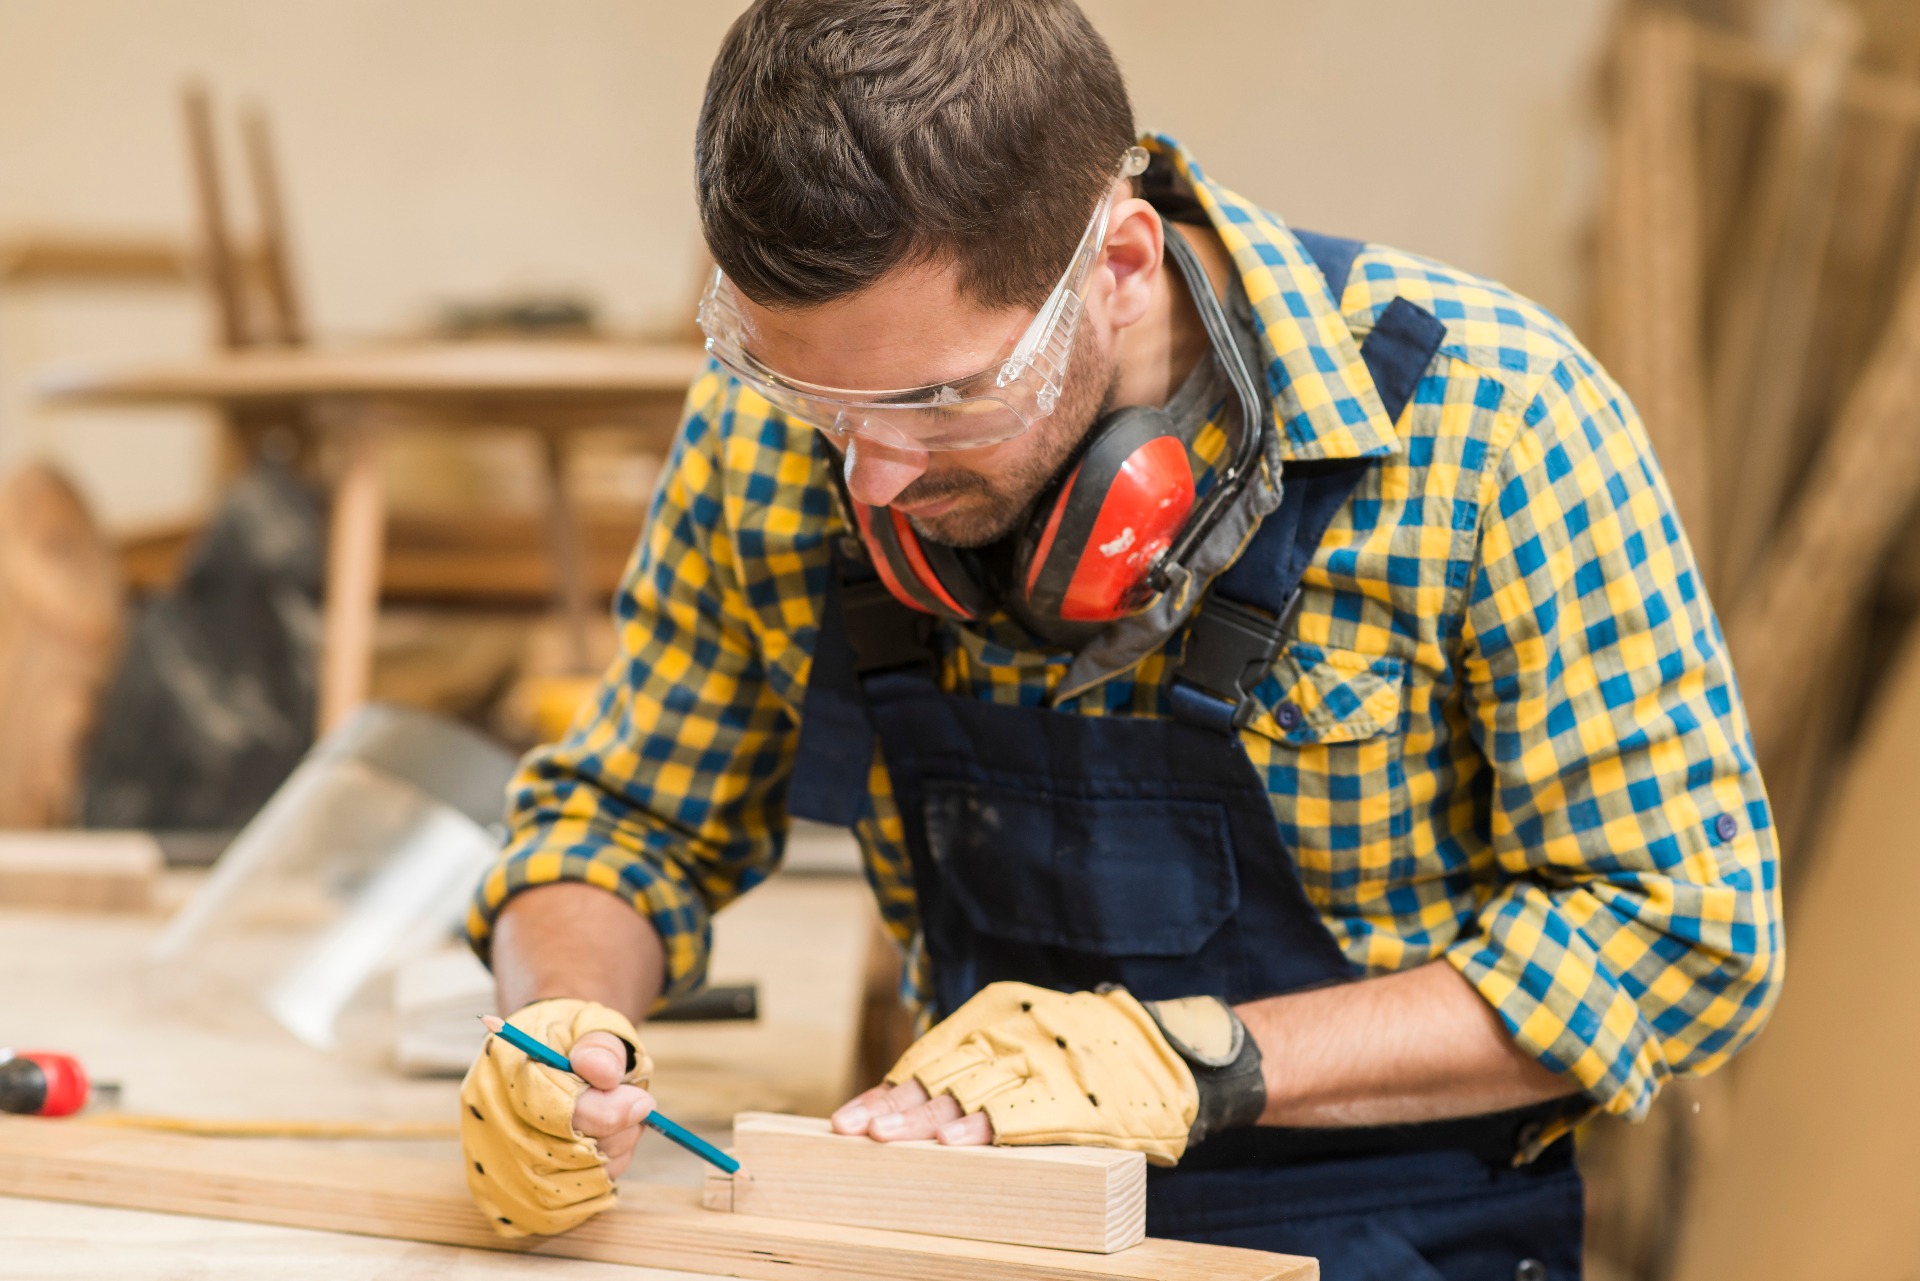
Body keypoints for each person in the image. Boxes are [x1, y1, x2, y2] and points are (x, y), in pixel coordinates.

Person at [454, 2, 1782, 1276]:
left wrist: (1188, 1059)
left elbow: (1680, 936)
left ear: (1122, 267)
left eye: (935, 398)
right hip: (980, 1231)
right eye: (807, 392)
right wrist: (558, 1026)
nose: (866, 475)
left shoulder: (1495, 427)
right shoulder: (789, 440)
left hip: (1387, 1238)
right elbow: (626, 821)